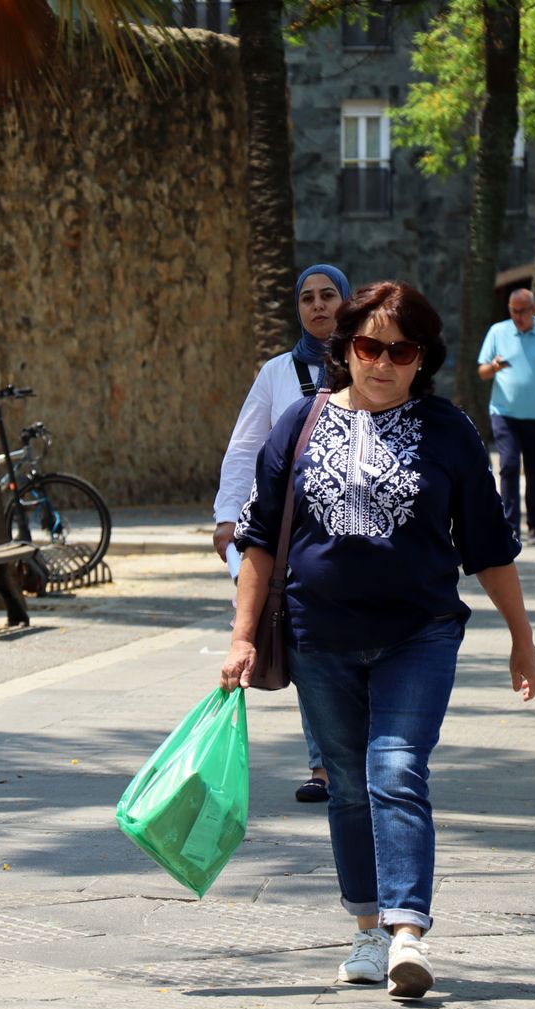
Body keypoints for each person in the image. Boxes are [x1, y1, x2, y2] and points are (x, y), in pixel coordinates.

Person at [220, 281, 535, 999]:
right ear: (346, 348)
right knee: (346, 786)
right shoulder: (300, 423)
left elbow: (488, 546)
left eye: (402, 351)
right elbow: (259, 539)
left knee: (395, 770)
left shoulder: (448, 430)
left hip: (418, 635)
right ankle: (366, 931)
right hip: (318, 637)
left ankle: (406, 933)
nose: (384, 363)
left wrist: (521, 637)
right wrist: (242, 637)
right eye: (370, 347)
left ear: (422, 358)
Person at [213, 263, 350, 804]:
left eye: (328, 295)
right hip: (295, 532)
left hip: (355, 530)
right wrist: (228, 517)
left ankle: (352, 758)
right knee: (309, 642)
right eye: (307, 298)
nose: (318, 306)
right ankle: (323, 767)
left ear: (346, 302)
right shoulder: (276, 373)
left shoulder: (369, 363)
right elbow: (246, 447)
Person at [476, 289, 535, 546]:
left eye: (522, 311)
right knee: (508, 466)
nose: (517, 316)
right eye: (513, 310)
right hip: (504, 413)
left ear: (534, 310)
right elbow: (482, 372)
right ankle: (510, 528)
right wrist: (493, 367)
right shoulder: (497, 332)